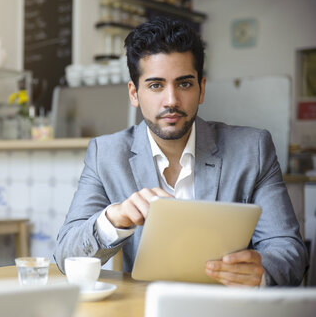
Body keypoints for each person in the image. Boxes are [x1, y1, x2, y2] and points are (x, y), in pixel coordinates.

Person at [54, 16, 308, 286]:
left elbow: (290, 252)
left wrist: (263, 271)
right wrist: (115, 218)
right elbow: (65, 255)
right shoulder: (106, 153)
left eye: (184, 84)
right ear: (134, 93)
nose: (171, 100)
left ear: (201, 89)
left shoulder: (253, 149)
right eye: (155, 85)